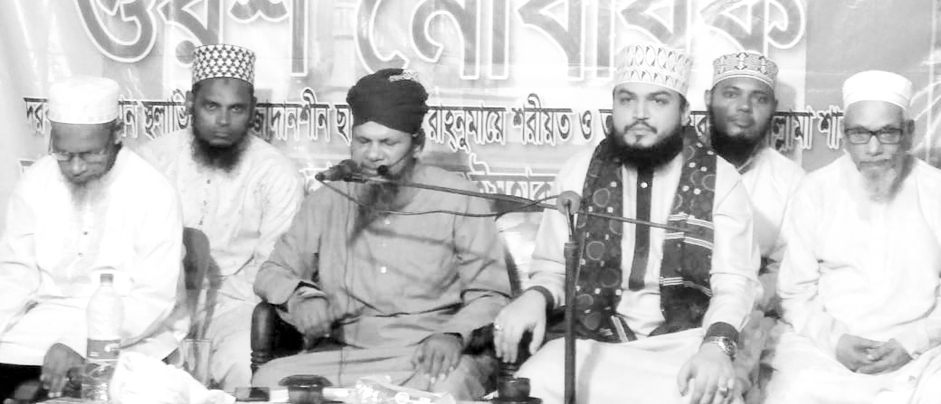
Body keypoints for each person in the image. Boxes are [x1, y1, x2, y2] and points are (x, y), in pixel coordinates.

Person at [492, 43, 762, 404]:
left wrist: (716, 347)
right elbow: (554, 269)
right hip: (596, 340)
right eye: (627, 99)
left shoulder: (720, 180)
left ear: (684, 112)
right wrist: (534, 297)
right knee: (534, 381)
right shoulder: (580, 171)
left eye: (658, 101)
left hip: (686, 344)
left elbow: (734, 284)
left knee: (706, 395)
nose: (639, 114)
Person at [251, 68, 512, 400]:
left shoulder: (459, 198)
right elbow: (273, 272)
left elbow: (491, 295)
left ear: (417, 144)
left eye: (388, 143)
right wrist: (301, 296)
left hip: (428, 355)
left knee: (447, 388)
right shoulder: (329, 198)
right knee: (267, 382)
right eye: (363, 141)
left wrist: (454, 335)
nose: (373, 155)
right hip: (343, 355)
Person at [0, 77, 183, 399]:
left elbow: (152, 299)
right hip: (39, 327)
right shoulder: (36, 182)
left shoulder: (153, 192)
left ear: (117, 133)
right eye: (63, 153)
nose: (76, 167)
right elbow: (15, 276)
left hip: (130, 332)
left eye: (90, 154)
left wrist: (79, 342)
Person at [764, 71, 941, 403]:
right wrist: (835, 341)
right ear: (844, 136)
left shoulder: (935, 191)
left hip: (922, 352)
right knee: (796, 391)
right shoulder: (816, 190)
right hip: (826, 350)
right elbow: (795, 292)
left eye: (887, 132)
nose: (873, 148)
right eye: (860, 133)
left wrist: (912, 342)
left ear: (909, 133)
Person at [137, 44, 304, 390]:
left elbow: (274, 267)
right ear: (190, 102)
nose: (223, 121)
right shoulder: (152, 162)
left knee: (244, 364)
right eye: (211, 106)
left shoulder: (276, 174)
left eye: (236, 108)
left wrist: (210, 296)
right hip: (157, 303)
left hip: (235, 306)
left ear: (252, 109)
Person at [704, 52, 805, 397]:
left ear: (773, 108)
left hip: (749, 315)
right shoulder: (679, 165)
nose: (744, 107)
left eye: (758, 98)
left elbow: (786, 270)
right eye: (731, 94)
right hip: (671, 309)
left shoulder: (791, 181)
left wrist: (738, 301)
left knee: (727, 388)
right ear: (708, 99)